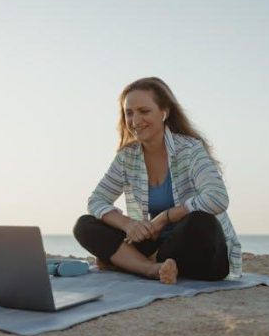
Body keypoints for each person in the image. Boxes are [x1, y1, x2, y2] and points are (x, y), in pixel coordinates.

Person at [73, 77, 242, 284]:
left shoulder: (190, 149)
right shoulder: (127, 156)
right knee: (84, 225)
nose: (135, 121)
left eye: (144, 111)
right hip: (154, 244)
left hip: (198, 249)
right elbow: (96, 200)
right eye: (129, 113)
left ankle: (130, 262)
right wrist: (129, 224)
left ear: (164, 112)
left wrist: (165, 218)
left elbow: (217, 198)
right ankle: (151, 268)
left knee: (201, 221)